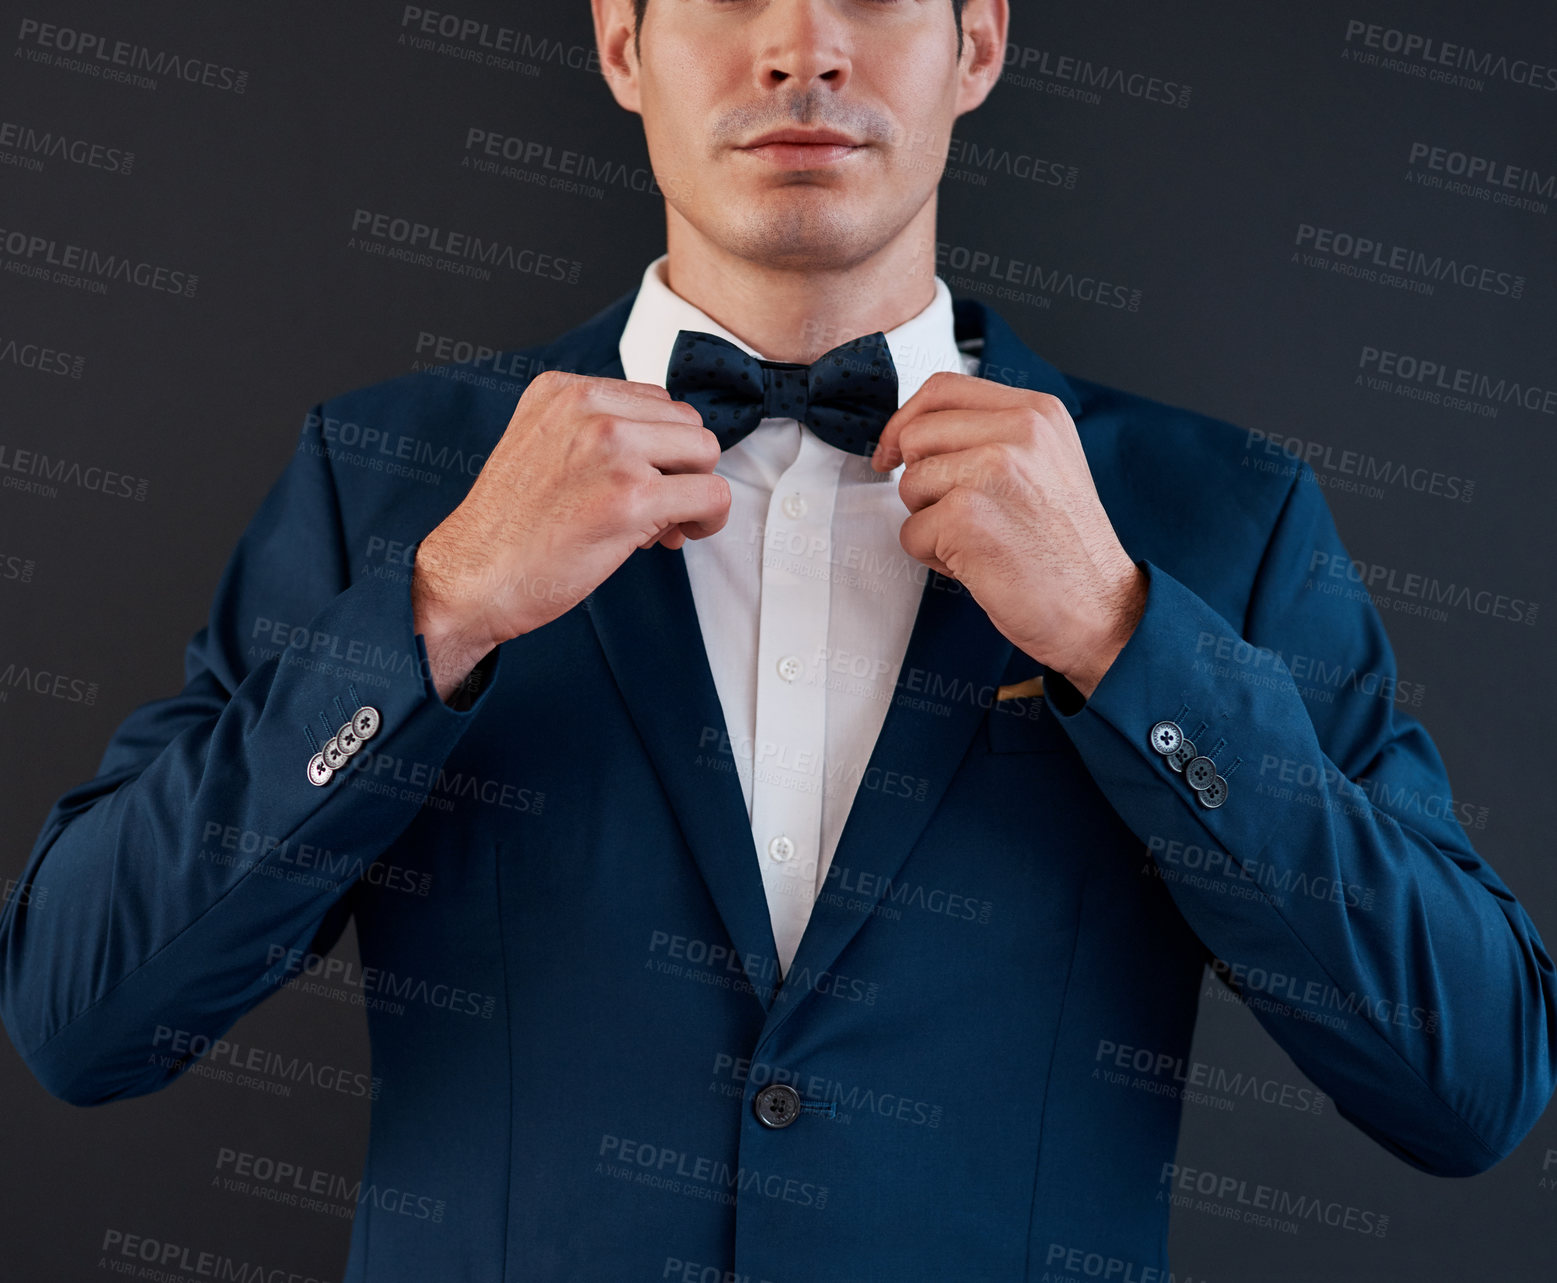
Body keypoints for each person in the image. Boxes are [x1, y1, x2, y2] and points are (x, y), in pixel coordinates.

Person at [4, 1, 1554, 1279]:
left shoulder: (1213, 519)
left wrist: (1119, 635)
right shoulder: (387, 484)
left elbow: (1470, 1081)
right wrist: (439, 606)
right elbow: (82, 1014)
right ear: (620, 41)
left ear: (979, 44)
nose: (801, 48)